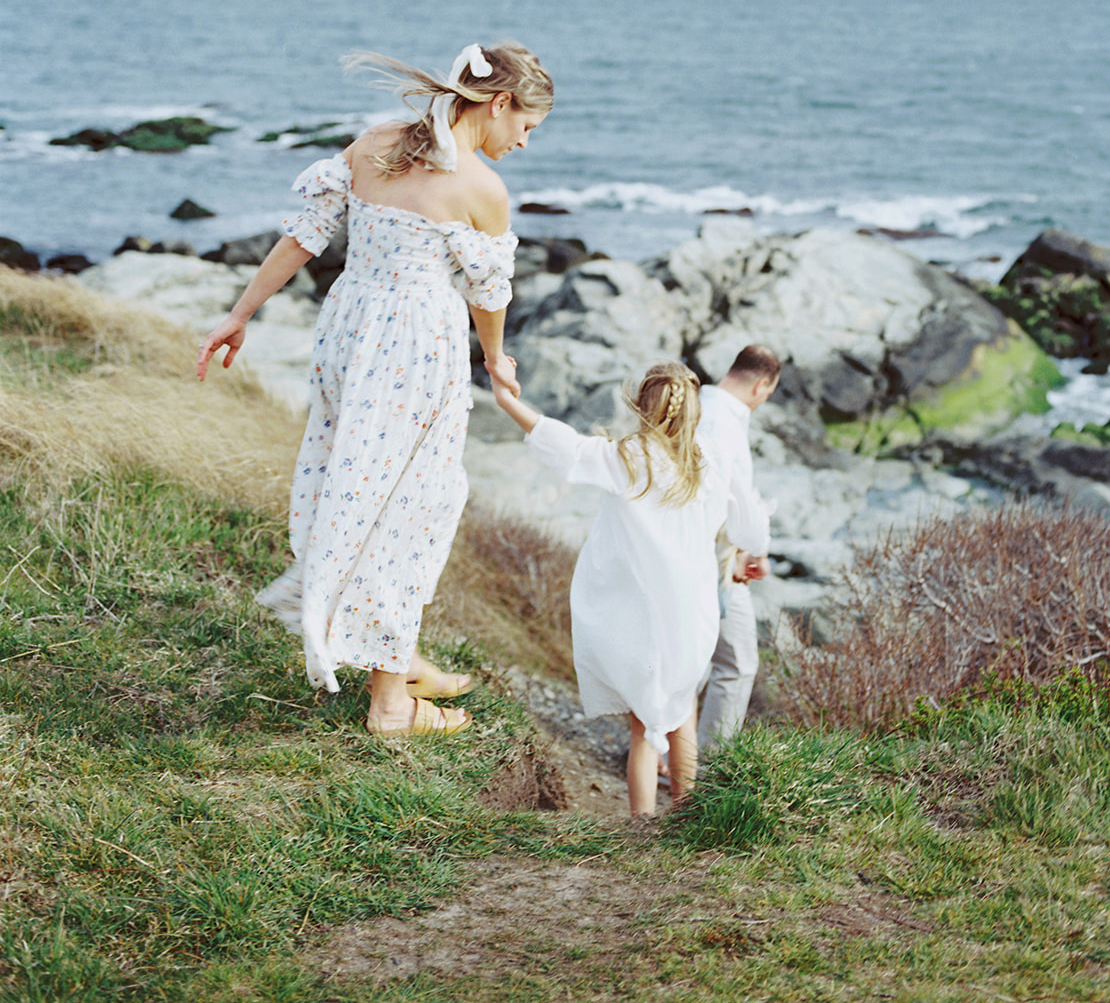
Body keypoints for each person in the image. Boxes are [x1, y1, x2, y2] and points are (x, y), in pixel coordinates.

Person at [196, 41, 553, 738]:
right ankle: (390, 704)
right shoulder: (482, 190)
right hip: (415, 348)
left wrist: (240, 314)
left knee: (357, 487)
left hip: (348, 331)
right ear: (500, 103)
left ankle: (397, 652)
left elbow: (304, 237)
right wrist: (496, 357)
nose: (524, 142)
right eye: (527, 126)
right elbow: (488, 292)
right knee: (413, 509)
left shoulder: (376, 144)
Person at [489, 360, 770, 817]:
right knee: (682, 714)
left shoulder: (628, 456)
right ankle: (685, 812)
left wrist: (507, 400)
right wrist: (752, 552)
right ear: (693, 412)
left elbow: (567, 447)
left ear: (642, 407)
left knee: (646, 723)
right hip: (693, 615)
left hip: (643, 614)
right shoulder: (712, 459)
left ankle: (641, 823)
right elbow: (753, 526)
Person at [695, 344, 780, 753]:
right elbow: (737, 500)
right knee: (735, 662)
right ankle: (707, 768)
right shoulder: (726, 422)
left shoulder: (695, 404)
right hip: (716, 559)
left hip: (689, 548)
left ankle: (661, 753)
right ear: (762, 385)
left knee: (692, 655)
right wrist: (755, 550)